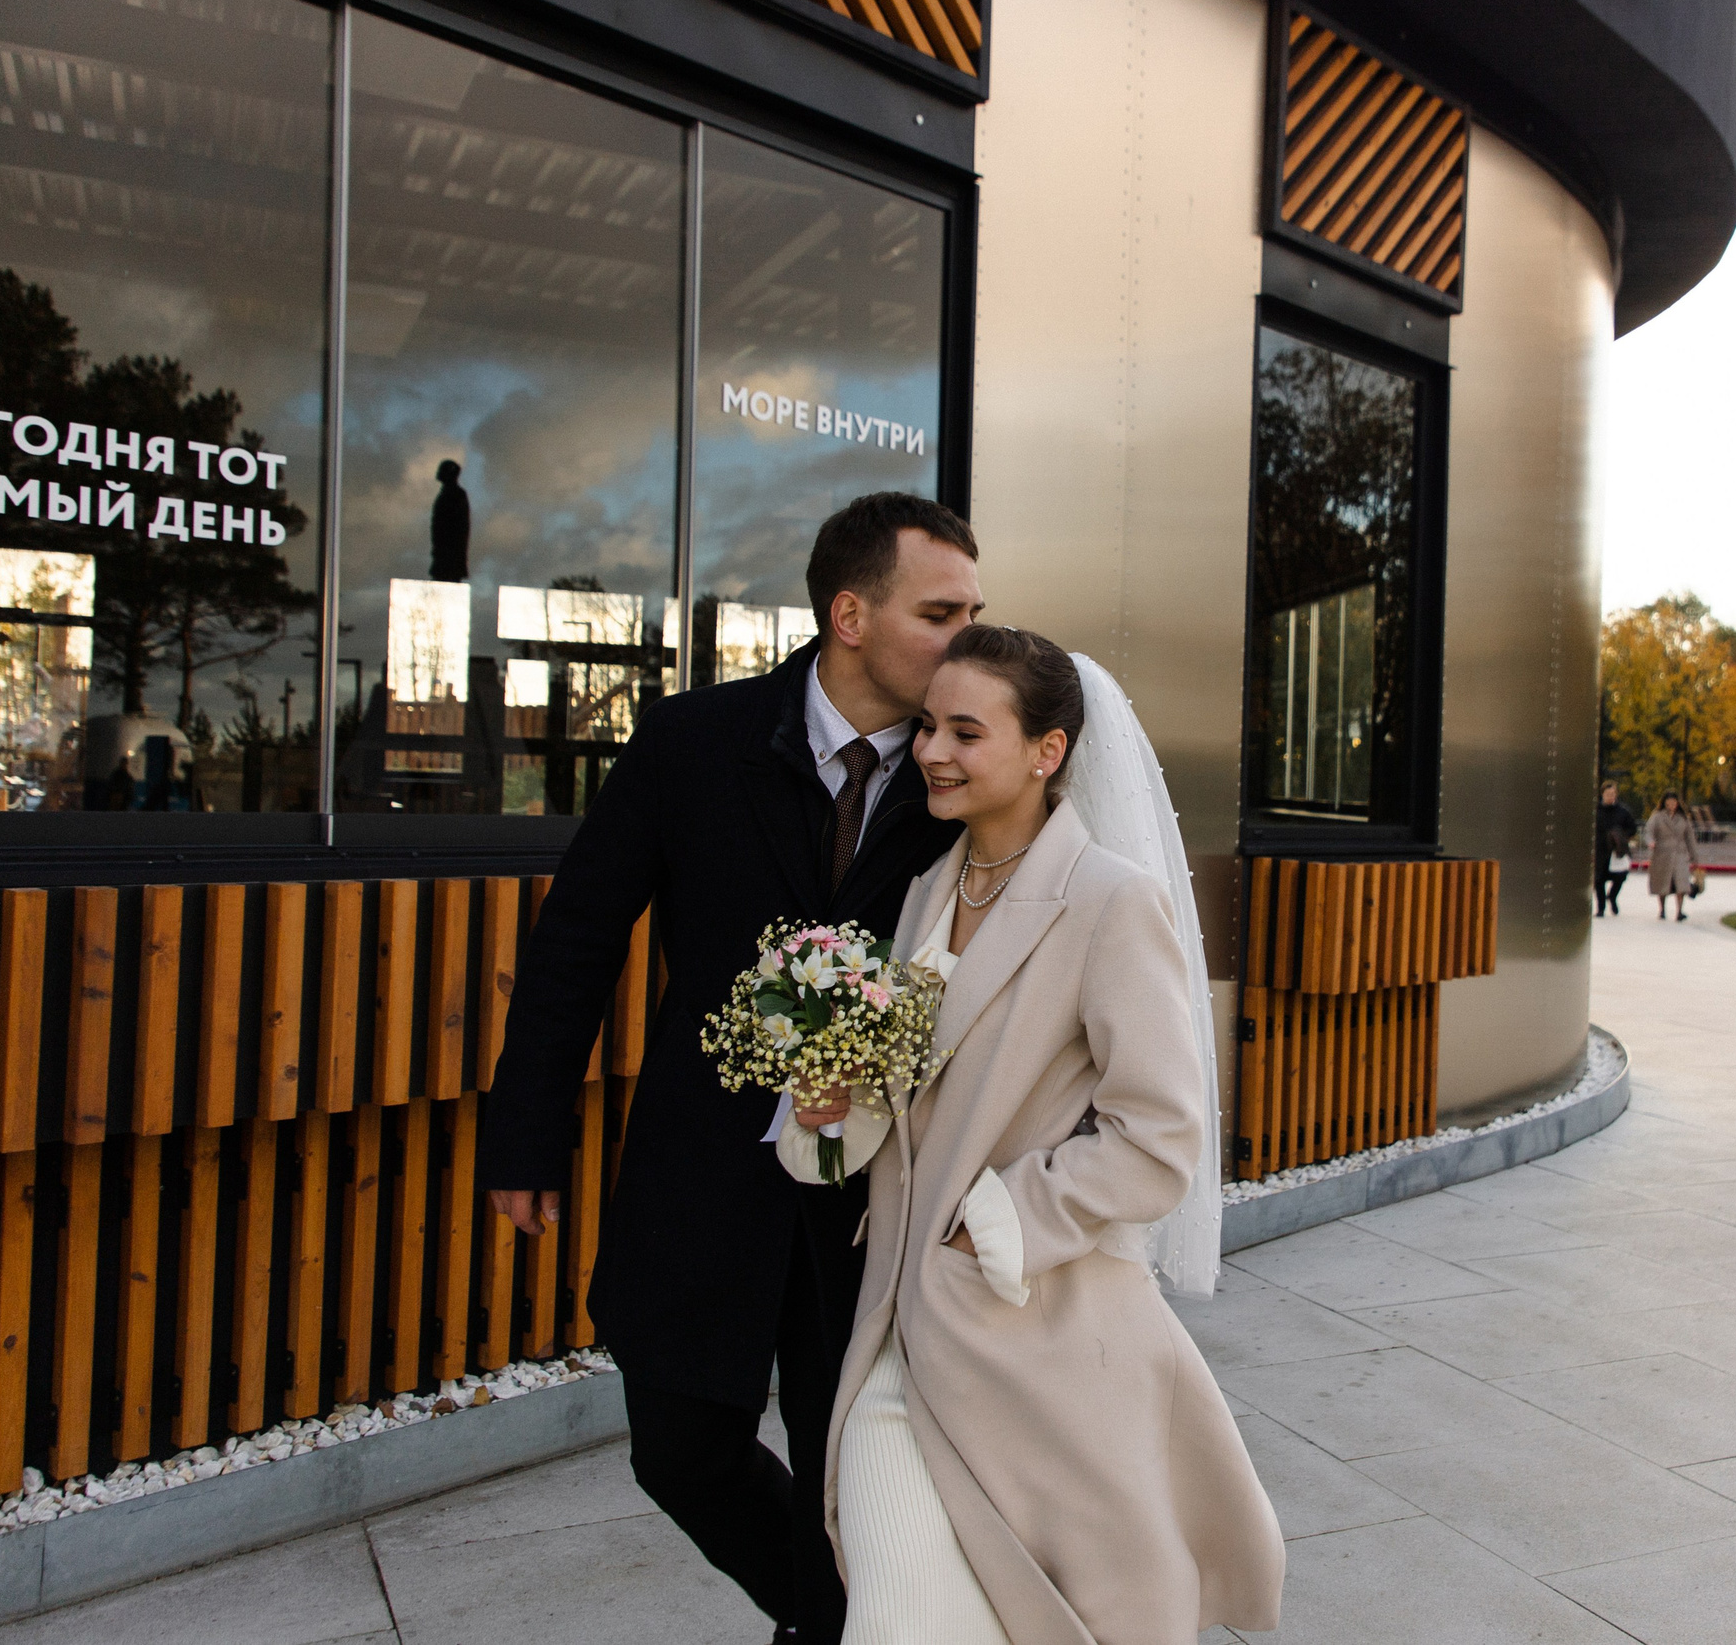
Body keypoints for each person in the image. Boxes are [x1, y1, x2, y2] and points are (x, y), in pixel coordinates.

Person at [477, 493, 984, 1645]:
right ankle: (835, 1622)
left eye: (974, 612)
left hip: (873, 1195)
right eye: (940, 612)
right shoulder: (688, 741)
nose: (968, 639)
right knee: (680, 1449)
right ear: (849, 615)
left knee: (846, 1471)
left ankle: (834, 1630)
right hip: (698, 1168)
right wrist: (525, 1133)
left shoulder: (966, 779)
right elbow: (577, 944)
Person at [785, 624, 1282, 1645]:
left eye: (967, 731)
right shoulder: (929, 889)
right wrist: (830, 1113)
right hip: (895, 1335)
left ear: (1047, 751)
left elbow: (1158, 1135)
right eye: (928, 725)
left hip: (1034, 1334)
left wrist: (993, 1224)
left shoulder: (1109, 901)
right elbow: (915, 1107)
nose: (931, 751)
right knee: (894, 1617)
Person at [1645, 789, 1699, 921]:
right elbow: (1648, 831)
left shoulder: (1683, 818)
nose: (1671, 805)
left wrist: (1694, 856)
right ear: (1664, 803)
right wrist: (1650, 842)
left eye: (1673, 802)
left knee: (1681, 883)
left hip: (1680, 854)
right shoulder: (1657, 817)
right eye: (1668, 803)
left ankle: (1679, 911)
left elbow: (1690, 838)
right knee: (1663, 884)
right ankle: (1662, 909)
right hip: (1662, 855)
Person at [1594, 781, 1638, 917]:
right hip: (1600, 850)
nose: (1611, 797)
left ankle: (1612, 896)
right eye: (1608, 794)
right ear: (1602, 795)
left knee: (1620, 876)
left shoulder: (1623, 811)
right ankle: (1601, 907)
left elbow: (1633, 828)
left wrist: (1622, 836)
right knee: (1599, 880)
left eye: (1613, 794)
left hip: (1617, 851)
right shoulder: (1596, 811)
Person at [429, 458, 471, 582]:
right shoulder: (448, 494)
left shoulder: (456, 495)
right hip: (443, 552)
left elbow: (460, 527)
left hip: (450, 555)